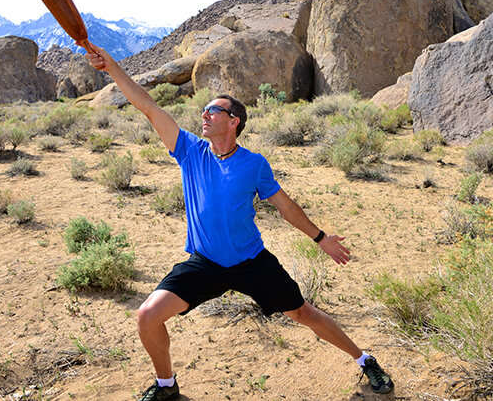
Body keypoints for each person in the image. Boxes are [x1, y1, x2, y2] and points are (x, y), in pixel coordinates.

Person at [83, 42, 394, 401]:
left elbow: (286, 206)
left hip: (250, 263)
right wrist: (112, 68)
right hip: (205, 264)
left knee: (304, 314)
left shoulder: (254, 164)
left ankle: (364, 359)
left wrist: (320, 237)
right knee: (147, 316)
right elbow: (148, 106)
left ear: (234, 122)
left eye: (213, 110)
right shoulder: (189, 150)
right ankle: (166, 385)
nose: (204, 114)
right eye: (204, 109)